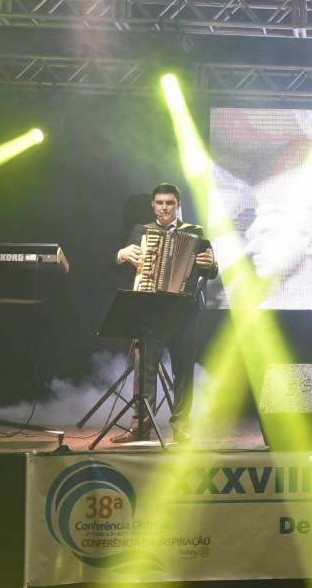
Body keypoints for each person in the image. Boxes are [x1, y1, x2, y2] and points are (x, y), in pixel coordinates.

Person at [114, 183, 218, 443]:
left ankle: (181, 427)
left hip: (184, 310)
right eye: (160, 203)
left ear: (177, 205)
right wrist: (121, 254)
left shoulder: (195, 232)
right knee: (144, 368)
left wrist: (211, 264)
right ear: (153, 205)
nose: (164, 208)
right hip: (150, 309)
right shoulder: (142, 231)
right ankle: (141, 427)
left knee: (183, 370)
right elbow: (122, 267)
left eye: (169, 203)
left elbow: (210, 271)